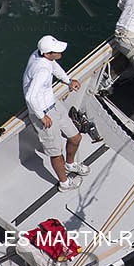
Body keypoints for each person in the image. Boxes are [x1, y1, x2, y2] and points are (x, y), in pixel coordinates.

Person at [22, 36, 86, 191]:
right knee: (56, 153)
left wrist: (68, 81)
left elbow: (54, 67)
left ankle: (70, 164)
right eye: (57, 51)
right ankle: (64, 183)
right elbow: (30, 96)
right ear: (47, 54)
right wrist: (41, 116)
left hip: (53, 104)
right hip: (44, 113)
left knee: (75, 137)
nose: (60, 52)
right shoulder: (42, 70)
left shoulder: (39, 55)